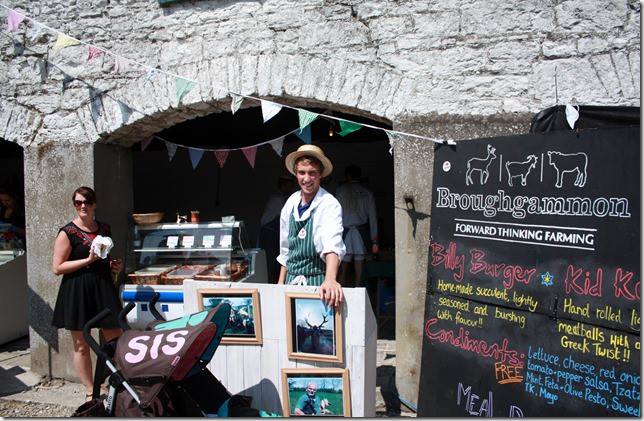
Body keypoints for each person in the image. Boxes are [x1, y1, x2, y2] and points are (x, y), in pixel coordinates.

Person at [51, 186, 123, 401]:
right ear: (74, 204)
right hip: (77, 288)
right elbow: (57, 268)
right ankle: (91, 389)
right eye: (78, 202)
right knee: (82, 343)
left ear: (94, 204)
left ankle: (119, 380)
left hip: (102, 285)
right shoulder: (67, 232)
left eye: (87, 202)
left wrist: (113, 267)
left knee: (116, 337)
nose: (83, 206)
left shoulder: (104, 228)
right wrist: (87, 261)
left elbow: (104, 257)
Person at [277, 144, 345, 308]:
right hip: (290, 282)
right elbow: (285, 249)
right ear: (295, 173)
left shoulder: (329, 204)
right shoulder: (291, 202)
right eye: (302, 173)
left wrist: (330, 279)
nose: (306, 179)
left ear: (320, 174)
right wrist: (279, 284)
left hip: (318, 282)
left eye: (312, 173)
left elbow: (332, 244)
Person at [335, 165, 379, 287]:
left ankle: (341, 289)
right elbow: (373, 217)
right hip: (359, 232)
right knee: (359, 262)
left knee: (343, 264)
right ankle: (358, 288)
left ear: (347, 176)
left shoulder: (340, 191)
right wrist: (374, 240)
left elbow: (334, 215)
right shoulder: (367, 192)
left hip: (346, 231)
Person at [257, 175, 296, 283]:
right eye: (289, 186)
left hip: (274, 233)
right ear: (283, 185)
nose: (291, 188)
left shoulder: (281, 198)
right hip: (269, 233)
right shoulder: (277, 199)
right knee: (270, 261)